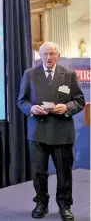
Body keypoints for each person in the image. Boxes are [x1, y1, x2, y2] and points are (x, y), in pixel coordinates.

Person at [17, 42, 85, 221]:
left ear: (58, 55)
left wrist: (67, 107)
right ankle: (41, 203)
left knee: (64, 173)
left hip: (62, 133)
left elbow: (79, 100)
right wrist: (31, 109)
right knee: (39, 172)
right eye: (45, 54)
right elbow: (21, 101)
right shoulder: (30, 74)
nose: (48, 57)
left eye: (52, 53)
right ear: (39, 55)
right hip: (38, 132)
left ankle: (64, 206)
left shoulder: (69, 75)